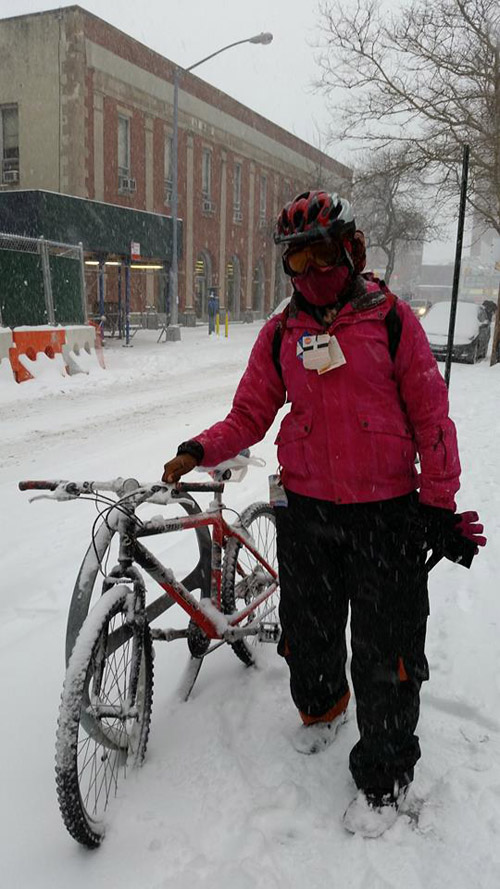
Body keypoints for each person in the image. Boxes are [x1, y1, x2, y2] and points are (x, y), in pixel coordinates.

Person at [162, 190, 486, 837]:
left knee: (384, 651)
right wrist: (200, 449)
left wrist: (437, 503)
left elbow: (432, 418)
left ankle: (385, 776)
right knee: (308, 635)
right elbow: (250, 413)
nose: (310, 272)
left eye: (320, 254)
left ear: (350, 248)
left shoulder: (391, 319)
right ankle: (324, 707)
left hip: (386, 516)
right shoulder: (285, 331)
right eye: (296, 259)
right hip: (306, 510)